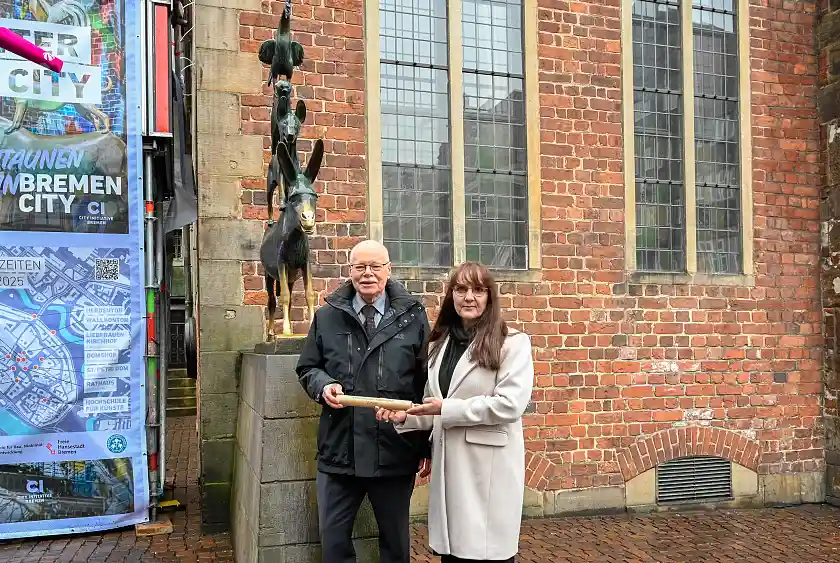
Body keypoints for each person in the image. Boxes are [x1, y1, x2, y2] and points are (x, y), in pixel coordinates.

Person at [376, 261, 534, 563]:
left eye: (478, 290)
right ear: (452, 296)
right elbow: (434, 402)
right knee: (454, 554)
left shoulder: (512, 343)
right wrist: (406, 417)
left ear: (489, 296)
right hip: (450, 468)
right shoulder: (440, 342)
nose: (468, 297)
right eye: (461, 289)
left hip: (488, 469)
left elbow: (510, 404)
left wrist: (447, 409)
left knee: (487, 553)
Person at [296, 239, 432, 563]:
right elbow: (308, 367)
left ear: (389, 270)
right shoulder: (327, 316)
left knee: (395, 545)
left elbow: (425, 381)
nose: (367, 273)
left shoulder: (413, 317)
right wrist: (323, 385)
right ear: (350, 270)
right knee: (334, 545)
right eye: (360, 266)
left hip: (395, 450)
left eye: (375, 266)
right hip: (338, 451)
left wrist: (426, 444)